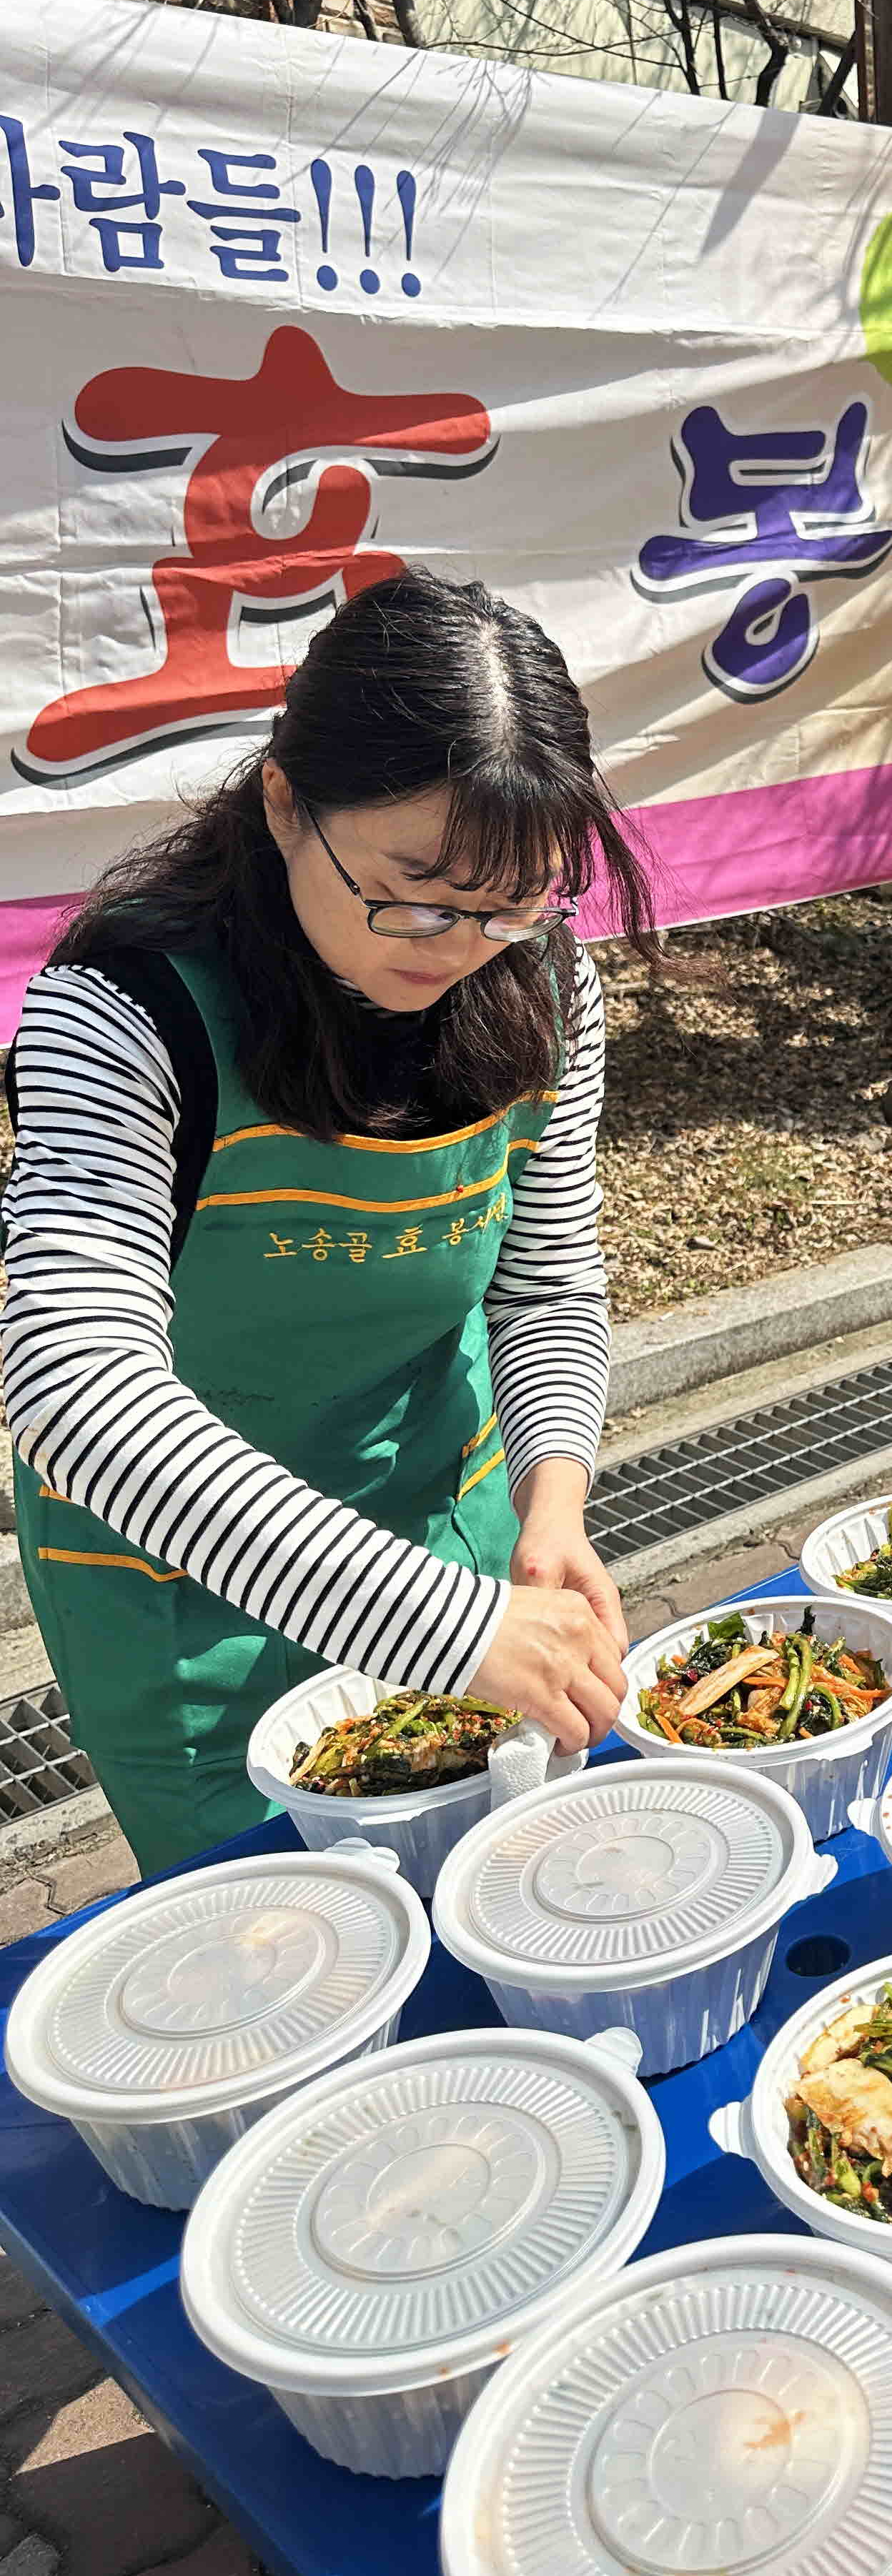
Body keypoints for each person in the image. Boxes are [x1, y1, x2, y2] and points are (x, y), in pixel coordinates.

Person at [1, 571, 654, 1873]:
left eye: (511, 898)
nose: (458, 942)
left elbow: (543, 1287)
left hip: (456, 1537)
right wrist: (441, 1627)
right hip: (186, 1599)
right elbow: (70, 1387)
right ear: (287, 802)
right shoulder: (121, 1008)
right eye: (414, 889)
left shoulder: (540, 976)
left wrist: (553, 1502)